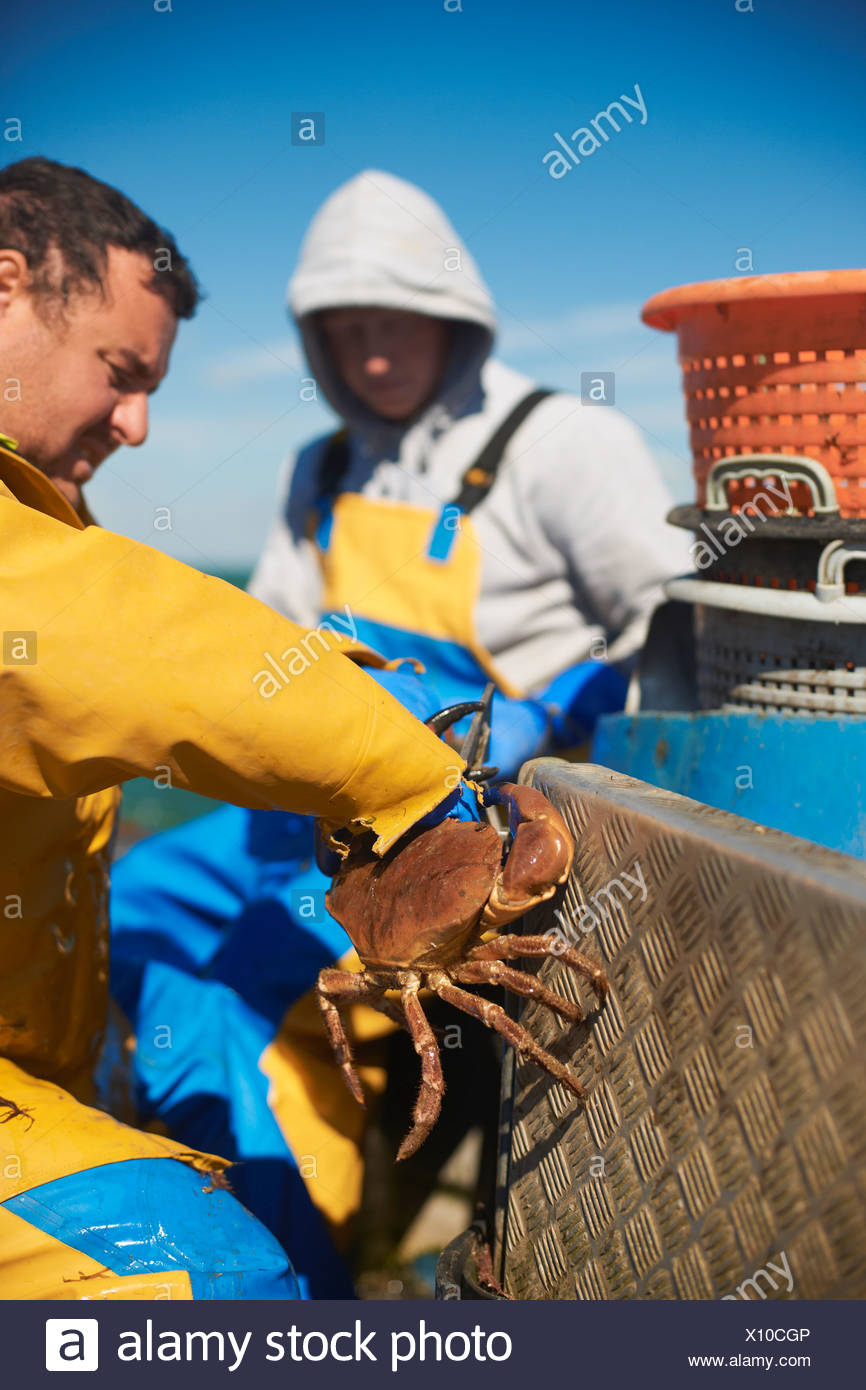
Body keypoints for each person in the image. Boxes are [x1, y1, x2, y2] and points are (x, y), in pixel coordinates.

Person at [110, 170, 692, 1292]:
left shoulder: (562, 441)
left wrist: (553, 720)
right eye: (345, 331)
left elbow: (670, 624)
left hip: (471, 821)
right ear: (316, 343)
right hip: (327, 821)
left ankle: (286, 1275)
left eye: (397, 323)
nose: (373, 356)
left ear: (455, 316)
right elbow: (268, 653)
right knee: (128, 901)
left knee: (236, 998)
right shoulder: (316, 469)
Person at [0, 157, 524, 1300]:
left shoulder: (546, 443)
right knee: (204, 1270)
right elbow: (169, 650)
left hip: (446, 753)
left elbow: (195, 648)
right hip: (378, 771)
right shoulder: (56, 564)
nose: (138, 426)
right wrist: (412, 781)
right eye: (119, 372)